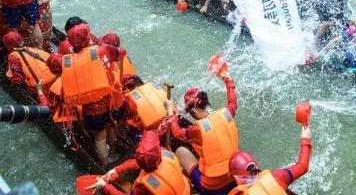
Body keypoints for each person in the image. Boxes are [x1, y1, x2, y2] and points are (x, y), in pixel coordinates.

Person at [55, 24, 125, 166]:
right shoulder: (102, 50)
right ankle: (113, 154)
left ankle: (104, 165)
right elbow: (121, 53)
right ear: (88, 37)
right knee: (112, 128)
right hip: (112, 100)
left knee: (100, 137)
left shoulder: (68, 61)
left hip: (93, 107)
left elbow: (57, 72)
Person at [167, 66, 238, 195]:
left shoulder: (197, 130)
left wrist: (170, 112)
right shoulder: (227, 113)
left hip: (212, 188)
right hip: (234, 176)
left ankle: (188, 183)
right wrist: (228, 80)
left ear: (194, 110)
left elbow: (177, 133)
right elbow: (233, 101)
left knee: (181, 151)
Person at [90, 131, 191, 195]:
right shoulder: (165, 153)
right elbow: (140, 162)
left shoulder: (144, 186)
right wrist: (117, 169)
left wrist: (105, 187)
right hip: (185, 190)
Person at [228, 126, 312, 195]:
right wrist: (305, 138)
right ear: (255, 166)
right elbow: (302, 166)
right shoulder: (278, 177)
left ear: (235, 177)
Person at [3, 31, 59, 100]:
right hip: (56, 78)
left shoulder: (13, 56)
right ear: (22, 40)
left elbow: (18, 79)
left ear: (8, 47)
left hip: (40, 86)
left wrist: (10, 78)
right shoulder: (33, 49)